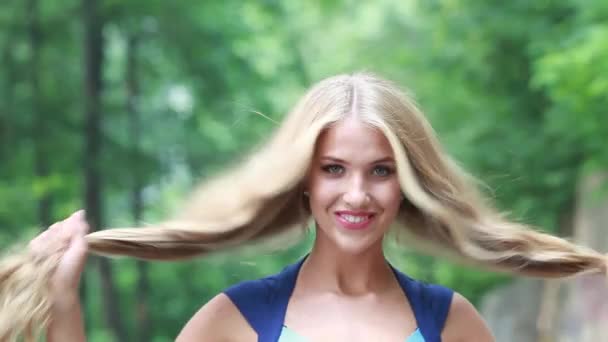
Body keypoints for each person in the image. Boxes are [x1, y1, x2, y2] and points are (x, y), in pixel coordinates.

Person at [2, 73, 607, 342]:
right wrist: (61, 305)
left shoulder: (450, 324)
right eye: (334, 169)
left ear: (408, 184)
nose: (357, 195)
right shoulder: (235, 321)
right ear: (304, 181)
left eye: (381, 171)